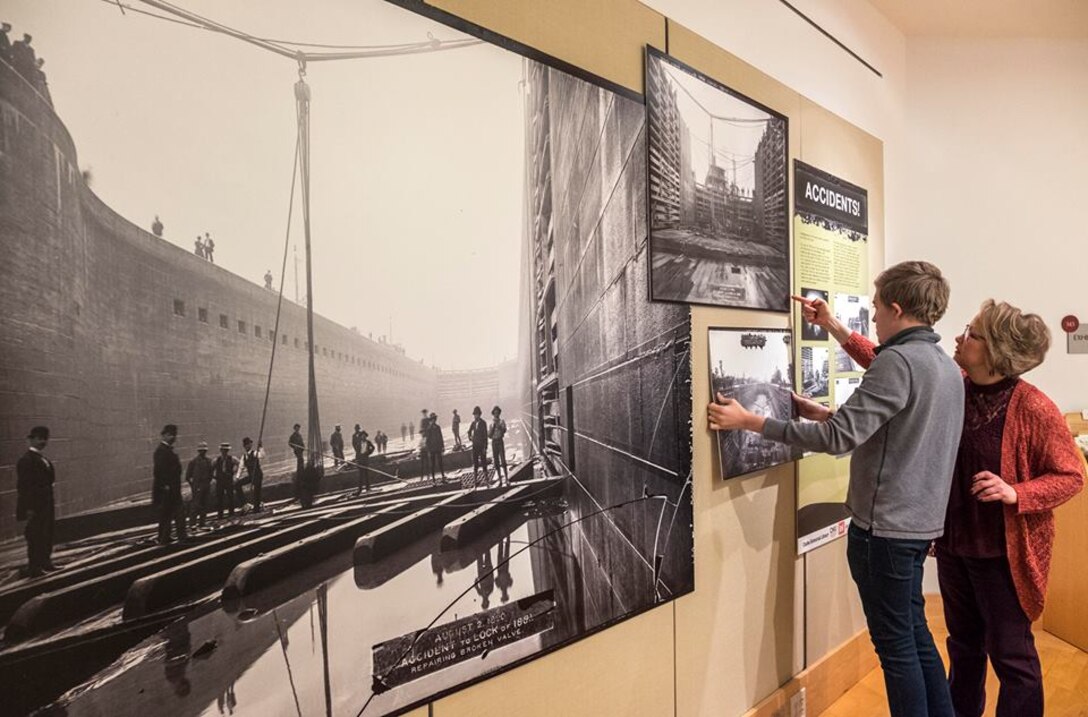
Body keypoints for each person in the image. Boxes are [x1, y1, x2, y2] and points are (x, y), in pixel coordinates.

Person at [709, 261, 964, 717]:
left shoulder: (899, 362)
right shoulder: (943, 366)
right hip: (917, 526)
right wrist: (826, 413)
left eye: (876, 308)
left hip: (885, 529)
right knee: (915, 636)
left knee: (895, 648)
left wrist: (749, 420)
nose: (874, 317)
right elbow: (896, 433)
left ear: (896, 309)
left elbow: (838, 441)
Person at [827, 298, 1085, 717]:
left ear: (998, 351)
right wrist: (836, 328)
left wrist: (1016, 492)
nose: (959, 338)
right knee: (963, 646)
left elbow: (1071, 475)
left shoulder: (1034, 407)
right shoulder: (953, 383)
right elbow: (894, 364)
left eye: (972, 333)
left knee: (1012, 657)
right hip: (954, 546)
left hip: (1005, 555)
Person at [16, 426, 56, 577]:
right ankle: (35, 567)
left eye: (45, 438)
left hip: (46, 504)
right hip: (35, 506)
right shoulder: (26, 460)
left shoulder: (43, 459)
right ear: (31, 439)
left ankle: (46, 562)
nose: (43, 441)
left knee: (47, 533)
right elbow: (24, 487)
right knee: (35, 536)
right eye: (39, 438)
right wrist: (28, 508)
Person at [152, 424, 187, 544]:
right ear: (165, 435)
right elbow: (159, 472)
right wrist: (165, 486)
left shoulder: (167, 450)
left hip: (173, 489)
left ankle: (172, 537)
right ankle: (165, 538)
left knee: (173, 513)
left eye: (174, 435)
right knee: (168, 514)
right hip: (167, 490)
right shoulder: (161, 451)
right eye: (171, 435)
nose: (173, 438)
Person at [185, 442, 213, 528]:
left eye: (204, 450)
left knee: (205, 505)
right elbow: (188, 476)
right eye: (201, 451)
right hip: (197, 487)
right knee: (195, 505)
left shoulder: (209, 461)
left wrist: (207, 483)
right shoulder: (193, 462)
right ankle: (192, 523)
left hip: (206, 486)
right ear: (198, 451)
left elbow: (210, 474)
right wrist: (193, 486)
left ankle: (202, 523)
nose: (203, 452)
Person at [235, 437, 265, 512]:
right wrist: (237, 477)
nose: (247, 446)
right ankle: (244, 504)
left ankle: (257, 508)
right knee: (237, 484)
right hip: (251, 476)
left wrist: (261, 447)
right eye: (246, 445)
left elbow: (262, 456)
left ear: (251, 445)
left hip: (258, 475)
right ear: (244, 446)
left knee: (256, 492)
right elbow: (240, 467)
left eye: (249, 444)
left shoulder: (255, 453)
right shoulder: (244, 457)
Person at [212, 442, 238, 519]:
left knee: (230, 497)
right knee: (220, 498)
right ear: (221, 450)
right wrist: (214, 476)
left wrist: (234, 471)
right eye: (223, 450)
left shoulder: (232, 459)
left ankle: (231, 514)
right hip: (220, 481)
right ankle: (220, 515)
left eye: (226, 450)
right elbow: (211, 469)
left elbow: (240, 464)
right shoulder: (216, 460)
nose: (224, 452)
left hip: (228, 480)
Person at [468, 406, 489, 484]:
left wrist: (485, 447)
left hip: (481, 445)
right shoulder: (473, 423)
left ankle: (486, 479)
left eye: (477, 414)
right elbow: (469, 432)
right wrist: (470, 438)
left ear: (479, 415)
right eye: (475, 414)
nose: (475, 416)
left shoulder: (483, 423)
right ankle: (475, 480)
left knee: (484, 462)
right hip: (475, 445)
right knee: (475, 463)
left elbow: (485, 435)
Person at [489, 406, 509, 485]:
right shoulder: (491, 423)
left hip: (500, 441)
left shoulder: (502, 421)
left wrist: (500, 427)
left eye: (497, 413)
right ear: (493, 414)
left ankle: (507, 478)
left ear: (499, 413)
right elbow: (489, 436)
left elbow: (504, 431)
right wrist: (493, 427)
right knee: (496, 461)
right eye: (495, 413)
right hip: (494, 442)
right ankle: (500, 479)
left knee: (503, 460)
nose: (496, 414)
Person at [426, 412, 447, 483]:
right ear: (431, 420)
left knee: (440, 463)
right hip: (432, 449)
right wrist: (428, 450)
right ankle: (434, 479)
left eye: (434, 419)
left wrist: (443, 446)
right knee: (433, 464)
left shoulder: (438, 427)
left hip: (438, 448)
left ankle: (443, 477)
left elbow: (441, 438)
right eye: (432, 419)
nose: (433, 420)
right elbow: (427, 440)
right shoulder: (428, 429)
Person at [354, 430, 376, 495]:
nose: (363, 437)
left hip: (365, 460)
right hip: (360, 460)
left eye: (364, 436)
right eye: (362, 436)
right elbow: (357, 453)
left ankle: (368, 488)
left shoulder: (368, 442)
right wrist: (357, 461)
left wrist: (368, 452)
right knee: (361, 476)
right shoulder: (359, 444)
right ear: (361, 437)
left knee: (366, 475)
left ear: (366, 436)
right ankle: (360, 489)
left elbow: (373, 448)